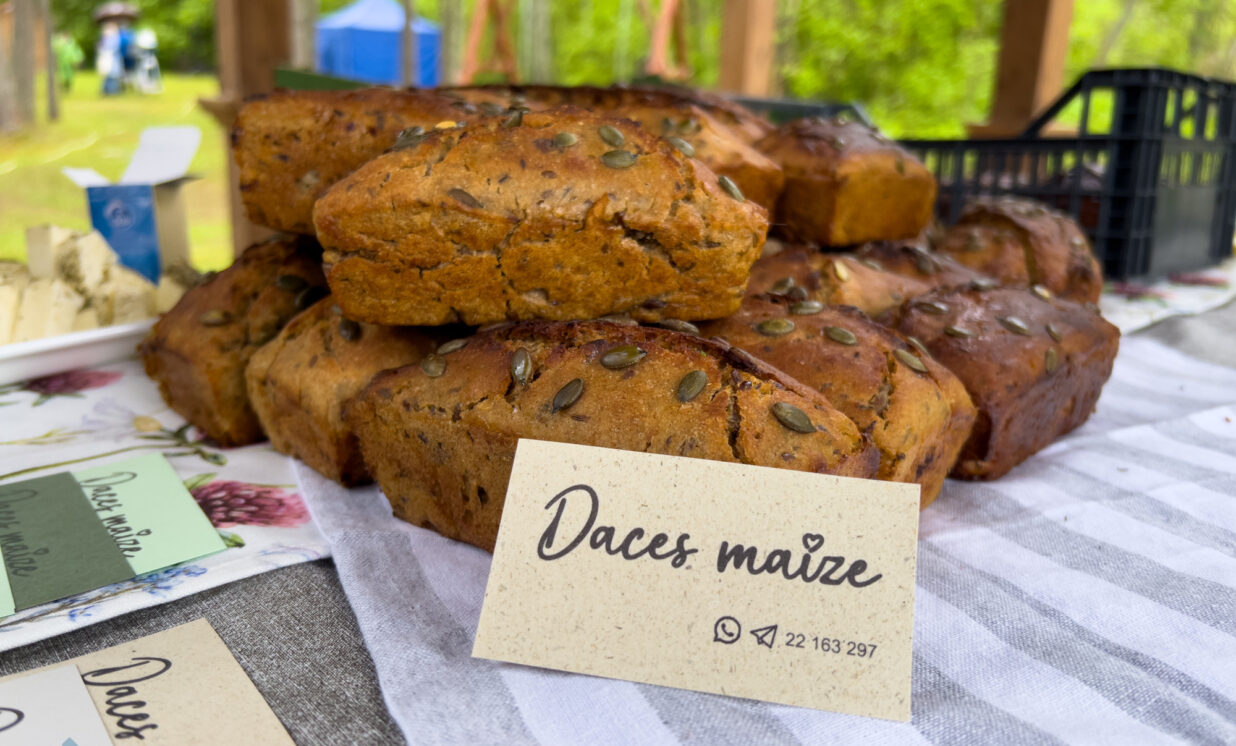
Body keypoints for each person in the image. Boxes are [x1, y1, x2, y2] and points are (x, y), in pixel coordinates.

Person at [97, 22, 121, 95]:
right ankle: (107, 90)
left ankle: (112, 90)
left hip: (111, 58)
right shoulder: (105, 38)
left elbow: (114, 48)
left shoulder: (114, 37)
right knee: (107, 75)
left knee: (112, 75)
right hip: (107, 58)